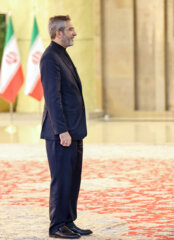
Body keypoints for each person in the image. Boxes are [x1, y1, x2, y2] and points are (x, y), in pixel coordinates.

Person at [40, 15, 92, 239]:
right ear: (58, 33)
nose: (75, 33)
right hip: (61, 132)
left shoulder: (62, 55)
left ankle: (69, 221)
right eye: (70, 29)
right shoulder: (50, 57)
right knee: (62, 179)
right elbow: (53, 98)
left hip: (74, 130)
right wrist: (62, 130)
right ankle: (57, 226)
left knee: (72, 178)